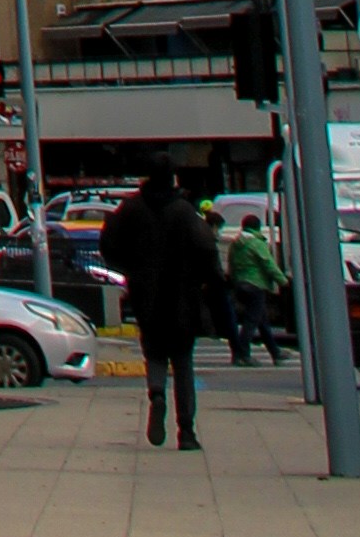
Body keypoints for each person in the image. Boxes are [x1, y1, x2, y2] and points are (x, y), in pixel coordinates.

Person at [102, 164, 229, 447]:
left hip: (146, 296)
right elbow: (207, 250)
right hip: (183, 298)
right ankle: (186, 431)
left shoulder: (132, 209)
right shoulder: (184, 212)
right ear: (171, 179)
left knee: (155, 354)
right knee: (183, 364)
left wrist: (130, 270)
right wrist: (210, 281)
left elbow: (109, 241)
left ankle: (157, 392)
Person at [220, 199, 286, 367]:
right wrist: (283, 281)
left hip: (241, 284)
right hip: (256, 285)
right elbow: (268, 263)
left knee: (262, 320)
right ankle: (242, 353)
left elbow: (231, 264)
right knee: (252, 321)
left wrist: (235, 282)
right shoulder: (256, 244)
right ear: (257, 227)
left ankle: (275, 352)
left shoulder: (236, 244)